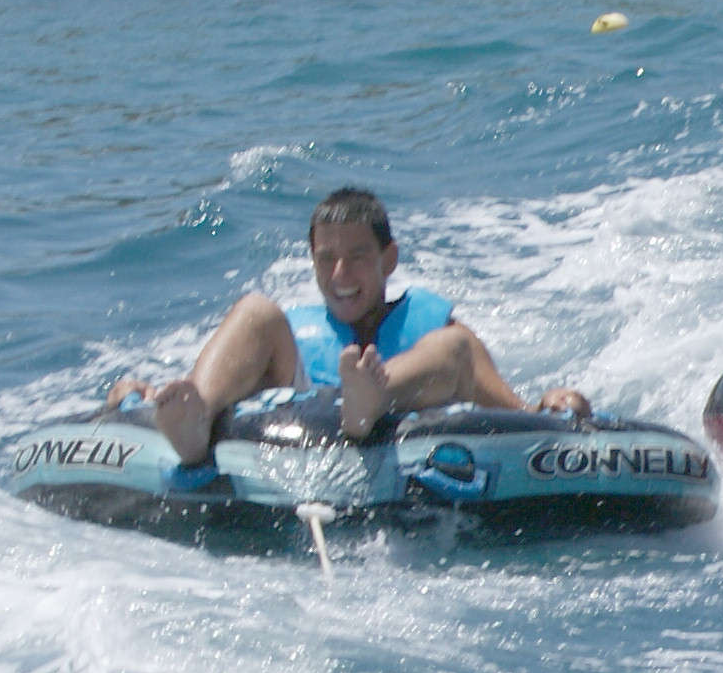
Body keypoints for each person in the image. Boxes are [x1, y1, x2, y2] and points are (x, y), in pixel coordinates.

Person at [106, 189, 588, 466]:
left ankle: (373, 398)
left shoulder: (430, 322)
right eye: (327, 259)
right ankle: (195, 419)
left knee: (453, 345)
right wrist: (141, 400)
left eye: (357, 257)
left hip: (395, 412)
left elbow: (513, 411)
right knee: (254, 309)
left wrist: (553, 408)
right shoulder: (292, 335)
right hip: (303, 410)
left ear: (388, 260)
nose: (341, 275)